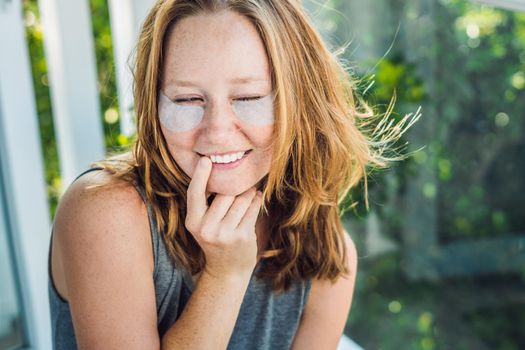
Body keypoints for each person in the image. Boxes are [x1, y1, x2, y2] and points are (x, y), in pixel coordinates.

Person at [48, 0, 417, 349]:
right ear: (154, 104)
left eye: (249, 98)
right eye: (187, 99)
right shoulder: (104, 211)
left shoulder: (327, 253)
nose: (218, 131)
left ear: (300, 103)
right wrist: (225, 276)